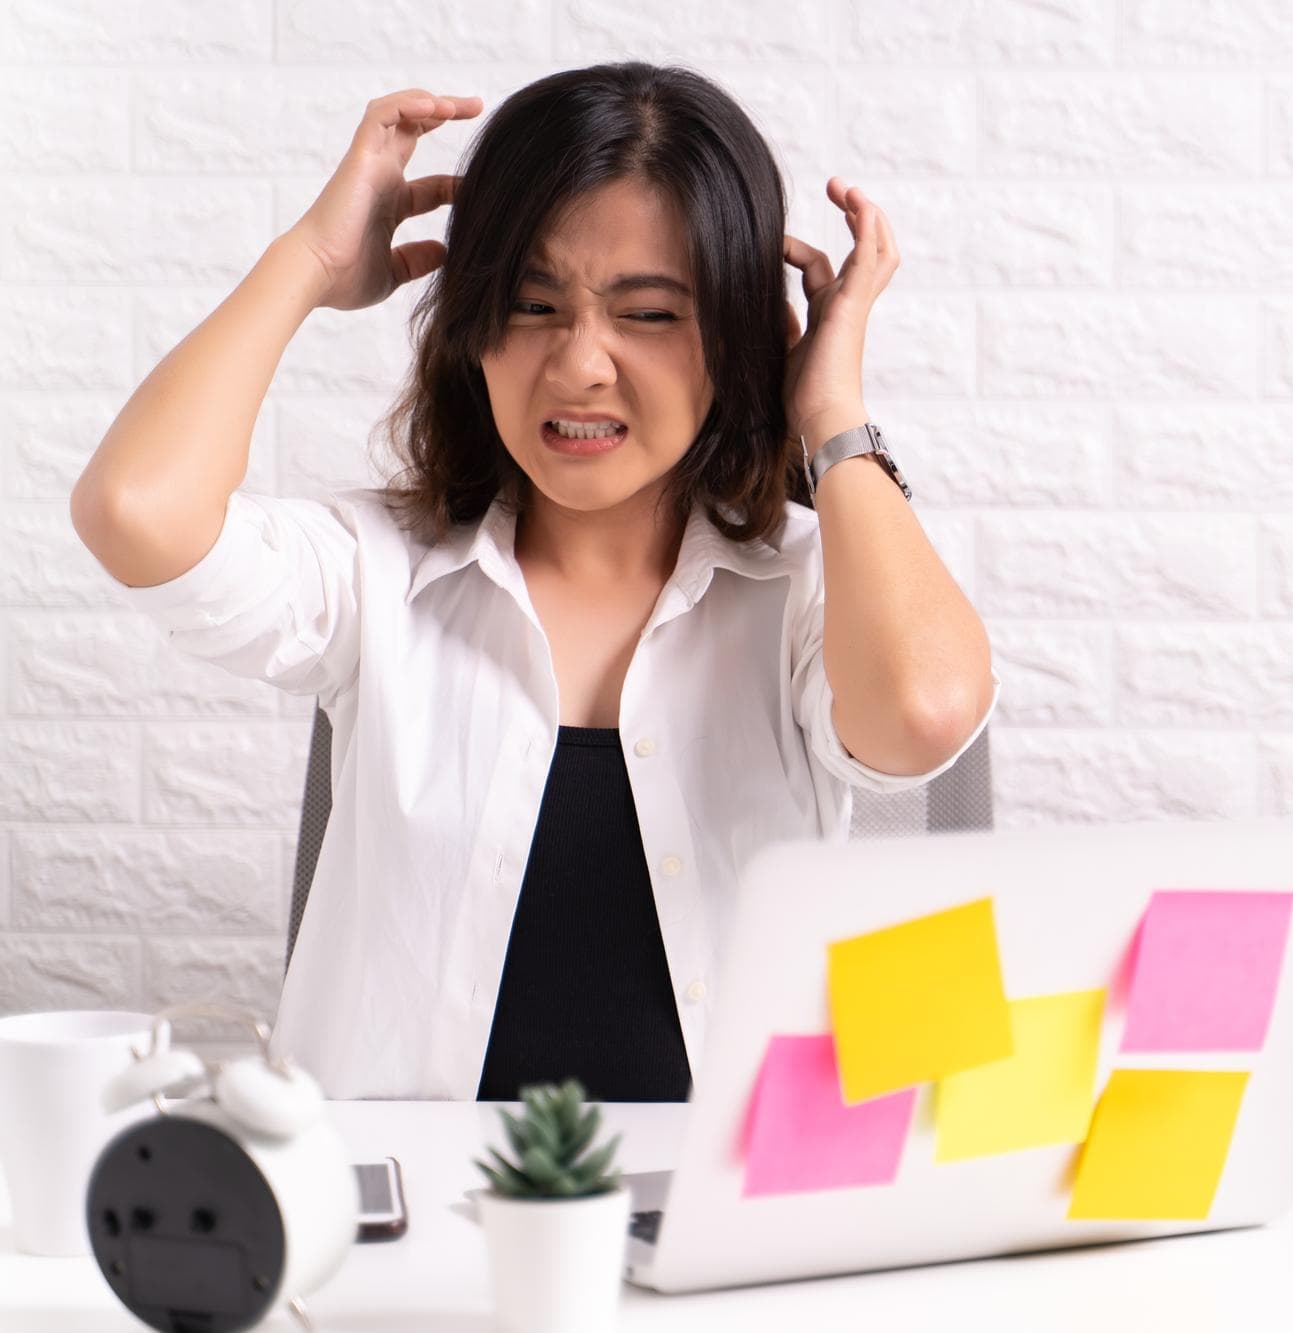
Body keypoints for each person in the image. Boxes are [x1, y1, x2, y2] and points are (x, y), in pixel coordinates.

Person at [68, 64, 1000, 1102]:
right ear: (473, 330)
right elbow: (134, 511)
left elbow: (922, 713)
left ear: (736, 342)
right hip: (408, 1228)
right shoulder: (377, 572)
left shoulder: (805, 589)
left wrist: (829, 410)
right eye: (531, 301)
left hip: (724, 1231)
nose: (578, 364)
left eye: (646, 314)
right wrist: (311, 262)